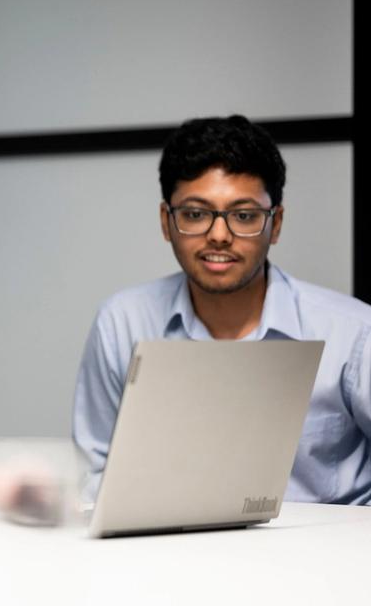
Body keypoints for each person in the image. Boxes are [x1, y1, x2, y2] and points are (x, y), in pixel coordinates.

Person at [73, 115, 371, 504]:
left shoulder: (354, 332)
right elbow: (95, 477)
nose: (219, 235)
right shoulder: (122, 322)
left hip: (332, 541)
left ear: (276, 224)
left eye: (244, 216)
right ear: (166, 221)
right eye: (195, 214)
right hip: (171, 539)